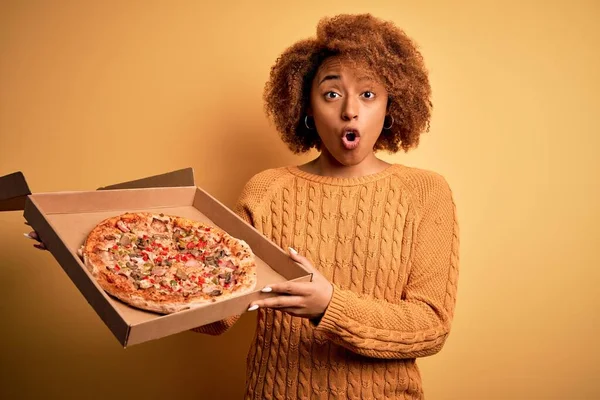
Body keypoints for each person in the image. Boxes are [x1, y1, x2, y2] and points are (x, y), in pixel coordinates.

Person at [28, 13, 459, 399]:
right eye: (331, 94)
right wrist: (91, 252)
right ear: (306, 107)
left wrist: (329, 306)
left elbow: (430, 327)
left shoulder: (425, 193)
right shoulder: (267, 189)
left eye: (368, 94)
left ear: (392, 106)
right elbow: (219, 313)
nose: (350, 111)